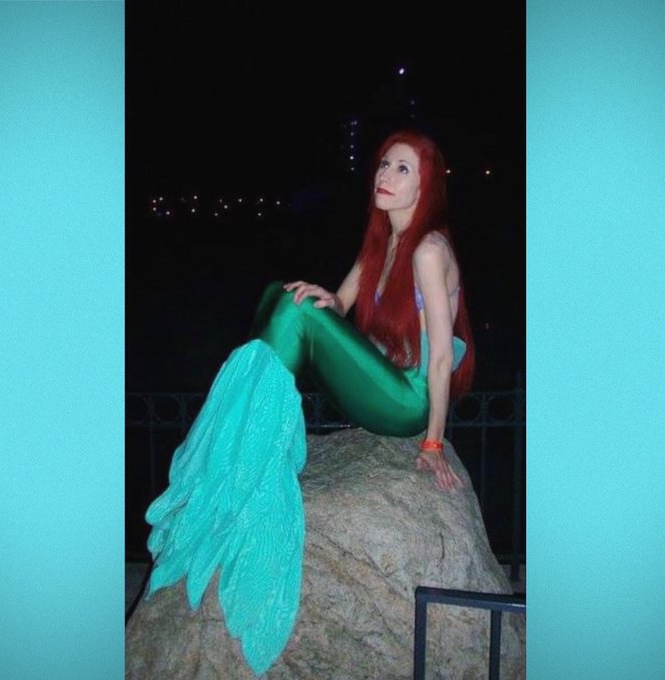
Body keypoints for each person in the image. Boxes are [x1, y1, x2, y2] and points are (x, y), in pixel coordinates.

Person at [143, 130, 474, 675]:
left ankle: (241, 451)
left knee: (291, 311)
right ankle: (237, 447)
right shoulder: (383, 242)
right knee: (282, 295)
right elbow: (341, 302)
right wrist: (327, 299)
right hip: (380, 384)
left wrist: (433, 442)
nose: (385, 176)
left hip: (405, 401)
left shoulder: (428, 251)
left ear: (427, 186)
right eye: (384, 164)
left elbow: (440, 359)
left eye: (403, 170)